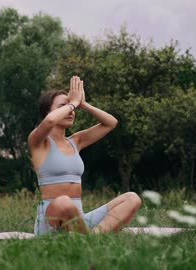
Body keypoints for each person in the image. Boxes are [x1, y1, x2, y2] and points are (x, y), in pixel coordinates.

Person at [29, 76, 141, 235]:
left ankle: (92, 239)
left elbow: (111, 123)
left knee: (132, 198)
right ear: (48, 111)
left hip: (79, 220)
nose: (71, 111)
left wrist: (83, 104)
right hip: (51, 221)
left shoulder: (76, 141)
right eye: (64, 106)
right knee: (63, 202)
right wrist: (72, 103)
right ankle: (86, 237)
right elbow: (49, 122)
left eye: (73, 109)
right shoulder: (38, 142)